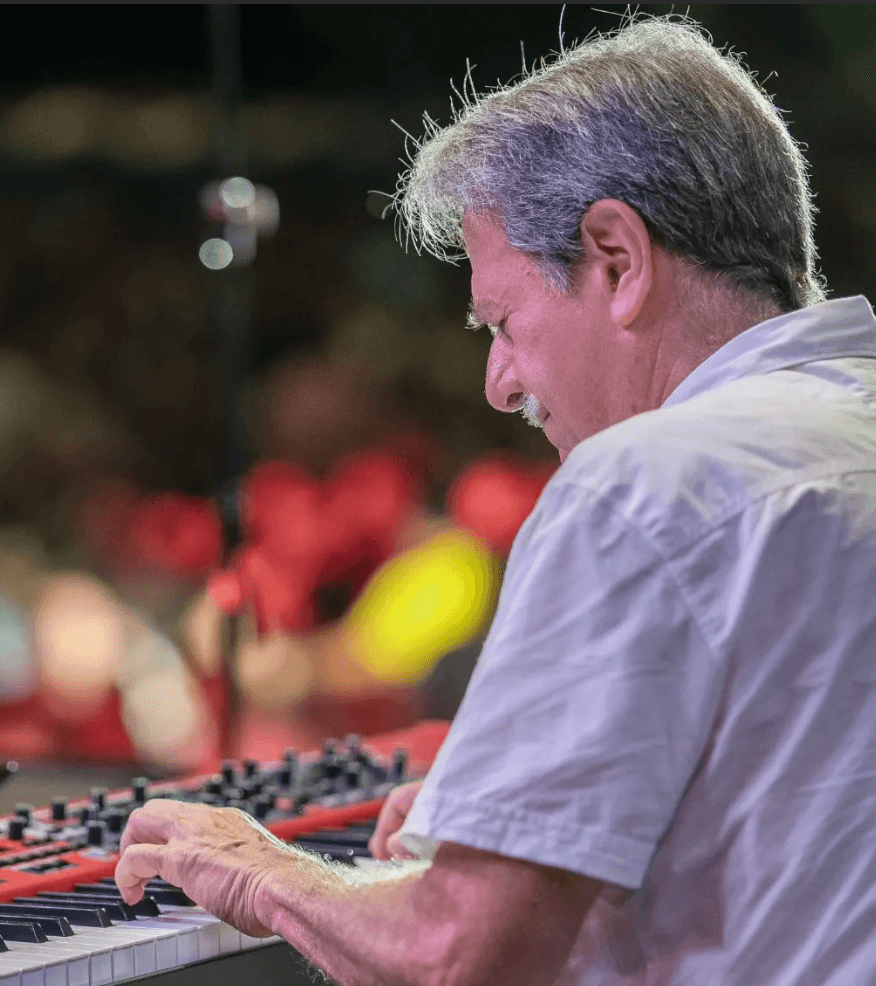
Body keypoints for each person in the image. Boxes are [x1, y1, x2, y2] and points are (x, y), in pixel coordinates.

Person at [115, 14, 876, 985]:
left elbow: (458, 956)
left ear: (614, 257)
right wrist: (545, 822)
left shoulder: (637, 484)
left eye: (502, 319)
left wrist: (263, 872)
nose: (498, 380)